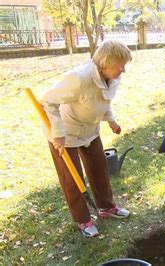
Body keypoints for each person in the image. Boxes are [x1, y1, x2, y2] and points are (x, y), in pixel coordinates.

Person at [40, 40, 132, 237]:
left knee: (99, 167)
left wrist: (111, 121)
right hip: (66, 132)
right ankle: (83, 220)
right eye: (120, 65)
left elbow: (103, 101)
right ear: (107, 62)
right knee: (72, 178)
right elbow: (47, 101)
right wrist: (58, 133)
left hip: (90, 129)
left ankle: (106, 207)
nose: (123, 70)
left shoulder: (112, 78)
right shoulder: (79, 78)